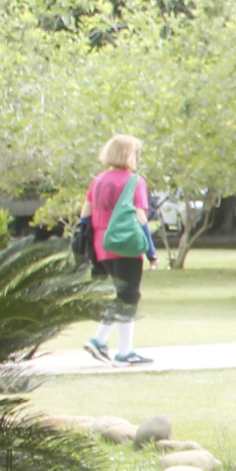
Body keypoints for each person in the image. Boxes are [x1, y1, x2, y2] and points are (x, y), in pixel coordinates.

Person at [81, 134, 159, 367]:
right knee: (130, 295)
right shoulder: (134, 181)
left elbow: (85, 215)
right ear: (129, 155)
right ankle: (123, 351)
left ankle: (100, 340)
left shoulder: (98, 180)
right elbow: (141, 217)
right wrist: (151, 251)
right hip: (126, 243)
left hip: (101, 243)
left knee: (122, 294)